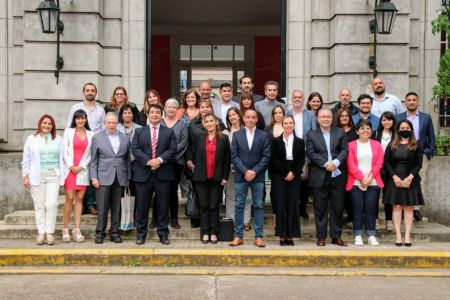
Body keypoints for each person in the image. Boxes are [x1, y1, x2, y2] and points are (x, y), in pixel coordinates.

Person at [132, 104, 177, 245]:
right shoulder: (139, 132)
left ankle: (163, 234)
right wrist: (148, 161)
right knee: (142, 207)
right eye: (152, 112)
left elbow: (172, 149)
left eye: (158, 112)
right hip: (143, 174)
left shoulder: (169, 132)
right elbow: (135, 149)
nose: (155, 114)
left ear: (161, 115)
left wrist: (159, 160)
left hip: (163, 174)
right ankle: (141, 235)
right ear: (148, 114)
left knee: (163, 206)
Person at [307, 108, 348, 247]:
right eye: (323, 116)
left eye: (328, 117)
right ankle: (321, 236)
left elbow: (344, 150)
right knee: (320, 208)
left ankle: (336, 236)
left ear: (332, 118)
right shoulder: (311, 134)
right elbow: (311, 153)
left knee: (337, 207)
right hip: (320, 175)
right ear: (317, 119)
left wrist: (335, 163)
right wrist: (326, 164)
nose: (325, 119)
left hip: (337, 175)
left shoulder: (340, 132)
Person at [229, 109, 271, 247]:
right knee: (239, 205)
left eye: (253, 117)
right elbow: (234, 156)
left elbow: (266, 156)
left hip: (258, 177)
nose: (251, 119)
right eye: (248, 117)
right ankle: (238, 236)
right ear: (244, 118)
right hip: (241, 176)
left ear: (257, 119)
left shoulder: (263, 135)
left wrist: (254, 171)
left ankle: (258, 237)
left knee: (258, 206)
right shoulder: (237, 135)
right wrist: (246, 171)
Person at [22, 114, 64, 245]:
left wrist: (63, 176)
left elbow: (62, 158)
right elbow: (26, 159)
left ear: (53, 126)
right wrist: (25, 176)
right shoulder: (31, 139)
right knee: (39, 204)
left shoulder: (58, 139)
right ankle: (41, 232)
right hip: (36, 175)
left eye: (49, 124)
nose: (46, 125)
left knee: (51, 204)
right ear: (40, 124)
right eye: (44, 123)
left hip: (53, 175)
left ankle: (49, 233)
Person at [90, 113, 131, 244]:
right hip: (102, 177)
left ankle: (114, 232)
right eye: (109, 123)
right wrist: (94, 178)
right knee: (102, 208)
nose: (112, 125)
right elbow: (93, 160)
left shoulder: (124, 138)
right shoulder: (97, 138)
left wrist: (128, 177)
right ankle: (100, 233)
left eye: (114, 123)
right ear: (104, 123)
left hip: (120, 177)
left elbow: (127, 160)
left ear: (117, 123)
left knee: (116, 207)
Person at [396, 92, 436, 222]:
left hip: (420, 152)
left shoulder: (426, 117)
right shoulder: (399, 117)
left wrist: (428, 151)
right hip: (402, 151)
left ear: (418, 101)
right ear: (405, 102)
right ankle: (402, 207)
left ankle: (415, 209)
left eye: (414, 100)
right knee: (403, 178)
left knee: (419, 180)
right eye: (409, 100)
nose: (411, 102)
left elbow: (431, 136)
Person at [383, 120, 424, 247]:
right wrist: (394, 177)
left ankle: (407, 235)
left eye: (407, 127)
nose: (404, 129)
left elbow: (419, 164)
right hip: (394, 179)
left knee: (408, 207)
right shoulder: (392, 144)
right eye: (402, 127)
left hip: (410, 179)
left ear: (411, 130)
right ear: (398, 130)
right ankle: (398, 235)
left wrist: (409, 178)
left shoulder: (416, 144)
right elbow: (387, 163)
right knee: (397, 207)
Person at [191, 114, 230, 244]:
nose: (209, 123)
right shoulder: (199, 138)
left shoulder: (223, 139)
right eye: (206, 121)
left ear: (216, 122)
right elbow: (194, 155)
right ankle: (205, 232)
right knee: (203, 206)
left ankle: (214, 232)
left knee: (214, 206)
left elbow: (226, 159)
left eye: (211, 121)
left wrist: (225, 176)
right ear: (204, 123)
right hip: (201, 177)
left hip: (217, 177)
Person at [66, 83, 104, 215]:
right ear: (83, 92)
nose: (90, 92)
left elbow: (103, 129)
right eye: (87, 90)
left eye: (92, 90)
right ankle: (79, 204)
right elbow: (69, 127)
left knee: (92, 173)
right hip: (78, 145)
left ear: (95, 93)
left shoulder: (101, 110)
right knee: (78, 174)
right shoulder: (75, 108)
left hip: (94, 145)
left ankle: (90, 204)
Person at [346, 120, 384, 246]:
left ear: (371, 131)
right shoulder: (351, 145)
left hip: (373, 182)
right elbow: (350, 164)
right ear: (357, 131)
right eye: (362, 128)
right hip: (356, 182)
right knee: (357, 208)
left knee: (371, 208)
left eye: (368, 128)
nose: (365, 130)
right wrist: (362, 178)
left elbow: (379, 162)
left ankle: (371, 235)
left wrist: (369, 178)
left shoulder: (377, 144)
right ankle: (357, 234)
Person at [269, 115, 305, 246]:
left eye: (291, 123)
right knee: (281, 204)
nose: (288, 125)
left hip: (294, 174)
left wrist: (293, 173)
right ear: (282, 125)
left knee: (293, 204)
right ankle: (282, 235)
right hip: (279, 174)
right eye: (286, 123)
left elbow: (301, 160)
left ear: (294, 125)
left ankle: (290, 235)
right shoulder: (276, 141)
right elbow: (274, 159)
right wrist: (285, 172)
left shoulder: (300, 141)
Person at [61, 110, 94, 243]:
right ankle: (65, 230)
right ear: (74, 120)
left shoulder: (92, 134)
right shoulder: (68, 132)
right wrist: (71, 166)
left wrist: (81, 167)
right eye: (78, 119)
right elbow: (64, 151)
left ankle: (76, 230)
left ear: (86, 120)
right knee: (69, 198)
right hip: (70, 170)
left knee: (79, 199)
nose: (80, 121)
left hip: (83, 170)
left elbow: (91, 154)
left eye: (82, 118)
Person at [155, 98, 188, 229]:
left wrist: (169, 156)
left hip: (176, 163)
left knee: (173, 192)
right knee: (158, 192)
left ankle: (174, 219)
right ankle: (156, 219)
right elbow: (156, 143)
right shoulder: (159, 124)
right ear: (165, 109)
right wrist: (162, 158)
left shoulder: (182, 125)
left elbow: (183, 143)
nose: (171, 109)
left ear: (177, 109)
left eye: (174, 107)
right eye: (169, 107)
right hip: (160, 163)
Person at [286, 90, 316, 219]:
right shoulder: (287, 113)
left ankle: (302, 209)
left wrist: (307, 147)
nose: (297, 99)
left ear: (303, 99)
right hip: (289, 152)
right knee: (291, 181)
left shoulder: (310, 114)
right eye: (295, 97)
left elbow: (314, 132)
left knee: (304, 182)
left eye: (300, 97)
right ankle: (292, 209)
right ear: (291, 99)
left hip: (305, 152)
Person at [223, 108, 252, 230]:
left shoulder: (247, 130)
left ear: (239, 115)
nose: (232, 117)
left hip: (246, 168)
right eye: (229, 115)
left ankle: (246, 220)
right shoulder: (225, 133)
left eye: (234, 114)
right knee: (231, 195)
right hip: (231, 168)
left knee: (247, 195)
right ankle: (231, 219)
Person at [372, 111, 396, 232]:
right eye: (384, 120)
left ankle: (389, 220)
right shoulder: (375, 133)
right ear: (381, 121)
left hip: (391, 168)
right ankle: (375, 219)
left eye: (389, 120)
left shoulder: (397, 135)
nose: (387, 122)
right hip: (377, 167)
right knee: (375, 194)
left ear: (393, 121)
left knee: (388, 195)